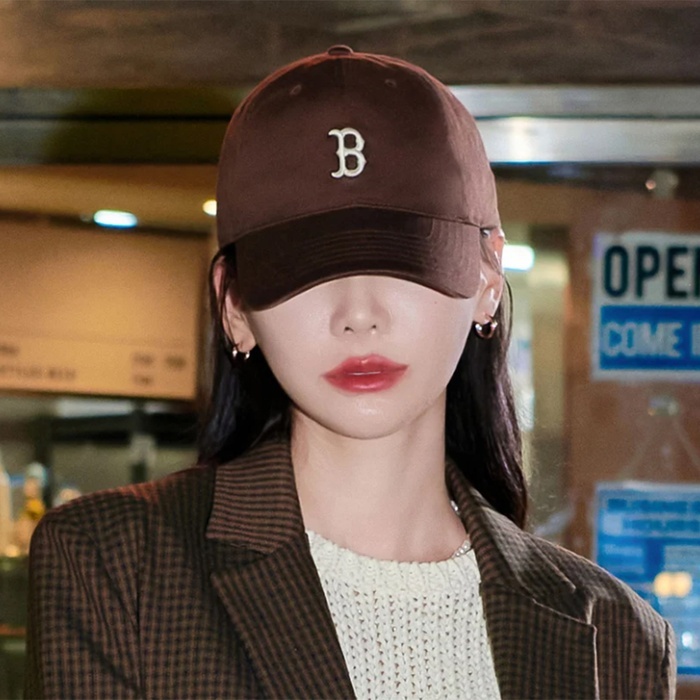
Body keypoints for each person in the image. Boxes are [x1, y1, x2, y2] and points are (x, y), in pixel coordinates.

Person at [25, 46, 675, 700]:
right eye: (306, 270)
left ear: (486, 278)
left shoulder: (616, 635)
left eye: (403, 261)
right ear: (234, 308)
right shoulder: (117, 566)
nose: (359, 315)